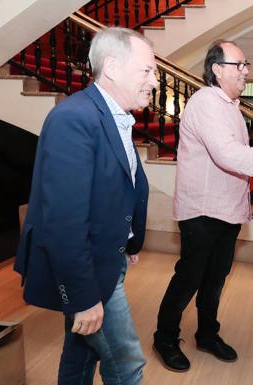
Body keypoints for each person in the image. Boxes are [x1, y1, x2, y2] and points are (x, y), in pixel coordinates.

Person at [152, 40, 253, 372]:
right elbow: (229, 155)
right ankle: (165, 337)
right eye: (240, 65)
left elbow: (237, 161)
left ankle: (207, 333)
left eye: (245, 64)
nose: (246, 71)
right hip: (203, 210)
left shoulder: (229, 104)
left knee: (217, 276)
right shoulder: (206, 102)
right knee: (190, 277)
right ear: (218, 70)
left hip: (226, 210)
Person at [13, 27, 156, 385]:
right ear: (111, 67)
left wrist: (129, 240)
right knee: (127, 365)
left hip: (108, 256)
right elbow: (63, 221)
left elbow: (119, 187)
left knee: (80, 357)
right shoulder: (74, 119)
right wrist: (83, 296)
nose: (154, 81)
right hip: (90, 271)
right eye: (146, 71)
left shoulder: (114, 116)